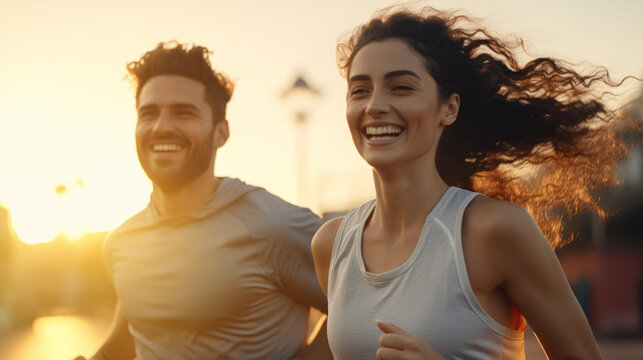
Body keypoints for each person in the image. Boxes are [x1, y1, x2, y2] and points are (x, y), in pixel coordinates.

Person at [312, 6, 633, 360]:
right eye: (359, 91)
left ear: (448, 109)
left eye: (400, 87)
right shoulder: (331, 244)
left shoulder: (494, 230)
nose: (374, 105)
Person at [77, 42, 330, 360]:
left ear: (221, 133)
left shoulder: (275, 224)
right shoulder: (120, 242)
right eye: (149, 113)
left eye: (184, 112)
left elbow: (366, 306)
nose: (161, 126)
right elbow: (129, 338)